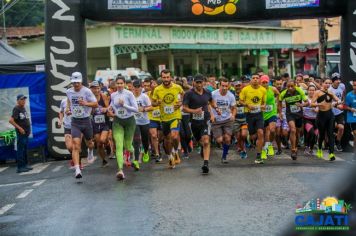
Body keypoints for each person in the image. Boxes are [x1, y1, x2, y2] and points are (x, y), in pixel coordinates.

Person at [65, 72, 98, 178]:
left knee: (90, 143)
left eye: (78, 82)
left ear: (81, 81)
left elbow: (96, 104)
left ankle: (90, 151)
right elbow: (69, 100)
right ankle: (77, 169)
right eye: (74, 83)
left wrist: (85, 103)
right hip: (75, 121)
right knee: (76, 145)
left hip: (86, 120)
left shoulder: (87, 91)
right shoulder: (69, 91)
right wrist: (68, 108)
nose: (76, 85)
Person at [152, 69, 184, 169]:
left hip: (175, 116)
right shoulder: (157, 89)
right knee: (166, 139)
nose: (166, 79)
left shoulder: (177, 87)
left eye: (167, 77)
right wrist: (157, 103)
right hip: (164, 118)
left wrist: (180, 102)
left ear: (171, 77)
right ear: (161, 78)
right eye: (164, 77)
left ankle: (175, 151)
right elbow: (153, 103)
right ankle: (170, 156)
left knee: (174, 136)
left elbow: (183, 95)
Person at [108, 75, 138, 180]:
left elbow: (136, 109)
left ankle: (133, 154)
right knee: (119, 145)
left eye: (121, 83)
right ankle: (120, 170)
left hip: (129, 121)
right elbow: (112, 104)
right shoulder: (113, 95)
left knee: (128, 146)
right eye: (118, 83)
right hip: (118, 122)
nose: (119, 85)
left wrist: (124, 105)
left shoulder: (129, 94)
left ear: (124, 84)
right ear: (115, 84)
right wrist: (109, 108)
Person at [183, 74, 215, 174]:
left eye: (201, 82)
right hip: (194, 122)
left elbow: (211, 103)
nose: (199, 84)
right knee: (200, 141)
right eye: (197, 82)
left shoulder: (208, 92)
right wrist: (194, 111)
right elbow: (184, 108)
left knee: (206, 140)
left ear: (204, 82)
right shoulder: (189, 94)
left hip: (205, 120)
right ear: (194, 83)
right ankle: (201, 147)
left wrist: (216, 110)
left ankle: (206, 163)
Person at [311, 78, 342, 161]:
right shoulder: (317, 92)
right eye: (326, 83)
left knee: (330, 134)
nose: (328, 85)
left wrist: (338, 102)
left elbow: (337, 100)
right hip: (321, 116)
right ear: (322, 83)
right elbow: (312, 104)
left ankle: (331, 153)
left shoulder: (330, 92)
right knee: (321, 135)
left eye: (329, 83)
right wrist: (318, 104)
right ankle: (320, 148)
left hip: (330, 115)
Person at [239, 74, 266, 164]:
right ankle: (249, 139)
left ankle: (259, 156)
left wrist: (262, 106)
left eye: (257, 78)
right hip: (249, 114)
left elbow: (263, 103)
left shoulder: (263, 90)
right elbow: (240, 101)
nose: (255, 79)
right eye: (253, 78)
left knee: (261, 133)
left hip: (259, 114)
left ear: (259, 80)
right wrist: (247, 105)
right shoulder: (245, 89)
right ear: (251, 80)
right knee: (252, 136)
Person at [279, 80, 308, 160]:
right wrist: (280, 112)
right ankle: (293, 149)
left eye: (292, 86)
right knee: (293, 130)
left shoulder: (300, 91)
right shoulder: (283, 93)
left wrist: (301, 104)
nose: (290, 88)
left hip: (299, 114)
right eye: (288, 86)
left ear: (295, 85)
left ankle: (296, 146)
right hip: (290, 114)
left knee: (298, 132)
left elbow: (307, 102)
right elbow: (279, 102)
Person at [211, 77, 236, 164]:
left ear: (228, 86)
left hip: (227, 119)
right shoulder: (213, 94)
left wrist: (233, 115)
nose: (224, 88)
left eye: (226, 86)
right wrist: (211, 115)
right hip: (216, 120)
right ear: (219, 85)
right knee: (220, 140)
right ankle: (217, 140)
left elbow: (234, 108)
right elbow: (208, 105)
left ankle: (224, 156)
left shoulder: (231, 95)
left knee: (227, 138)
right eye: (223, 86)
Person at [9, 94, 33, 173]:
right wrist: (20, 128)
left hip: (25, 133)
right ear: (18, 100)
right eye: (22, 99)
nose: (24, 101)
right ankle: (20, 167)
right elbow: (11, 120)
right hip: (21, 133)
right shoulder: (16, 108)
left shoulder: (23, 108)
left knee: (24, 149)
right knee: (20, 150)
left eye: (24, 99)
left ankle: (25, 165)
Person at [132, 79, 152, 170]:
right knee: (136, 140)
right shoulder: (130, 96)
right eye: (135, 87)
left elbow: (151, 107)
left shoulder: (144, 96)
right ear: (132, 87)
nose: (136, 88)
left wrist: (143, 109)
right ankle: (136, 160)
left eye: (138, 87)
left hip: (144, 121)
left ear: (141, 87)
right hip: (134, 121)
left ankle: (146, 151)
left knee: (145, 139)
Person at [90, 81, 110, 167]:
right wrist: (91, 110)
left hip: (104, 122)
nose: (96, 90)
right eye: (94, 88)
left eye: (98, 88)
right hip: (94, 124)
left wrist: (106, 109)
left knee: (102, 140)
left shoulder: (103, 96)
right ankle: (104, 160)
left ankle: (108, 144)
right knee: (99, 143)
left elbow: (109, 106)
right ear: (91, 89)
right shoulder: (88, 98)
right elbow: (87, 111)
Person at [260, 75, 279, 159]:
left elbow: (279, 95)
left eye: (266, 82)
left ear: (268, 82)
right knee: (264, 133)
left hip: (272, 112)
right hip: (262, 114)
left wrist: (277, 103)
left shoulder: (273, 89)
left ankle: (270, 144)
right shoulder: (259, 90)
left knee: (272, 130)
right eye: (263, 82)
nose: (264, 84)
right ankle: (264, 149)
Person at [145, 77, 163, 162]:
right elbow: (145, 106)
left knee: (161, 137)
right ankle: (157, 154)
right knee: (153, 135)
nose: (153, 85)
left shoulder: (162, 93)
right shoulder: (147, 95)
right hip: (151, 118)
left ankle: (158, 148)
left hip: (162, 117)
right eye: (152, 84)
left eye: (155, 84)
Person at [328, 74, 345, 152]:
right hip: (330, 112)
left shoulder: (342, 86)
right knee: (331, 129)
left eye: (339, 79)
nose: (339, 81)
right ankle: (330, 144)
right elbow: (328, 103)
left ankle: (338, 142)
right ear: (333, 81)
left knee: (341, 127)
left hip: (339, 112)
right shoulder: (329, 89)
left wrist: (342, 102)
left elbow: (343, 94)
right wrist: (336, 106)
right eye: (336, 80)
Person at [232, 80, 248, 159]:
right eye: (236, 86)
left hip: (244, 118)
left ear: (242, 86)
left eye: (239, 85)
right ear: (234, 87)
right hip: (235, 119)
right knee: (238, 136)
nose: (238, 87)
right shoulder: (231, 95)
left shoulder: (245, 94)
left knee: (244, 135)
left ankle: (243, 146)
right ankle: (243, 150)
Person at [303, 85, 319, 156]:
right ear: (307, 91)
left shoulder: (318, 99)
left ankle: (311, 149)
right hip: (307, 119)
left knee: (314, 135)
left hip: (316, 120)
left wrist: (316, 110)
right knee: (311, 132)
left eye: (313, 90)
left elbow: (321, 109)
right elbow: (301, 107)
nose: (311, 92)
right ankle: (306, 147)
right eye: (310, 90)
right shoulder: (305, 99)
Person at [344, 79, 356, 158]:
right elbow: (345, 106)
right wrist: (351, 109)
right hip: (352, 118)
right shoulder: (349, 95)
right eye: (354, 85)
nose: (355, 87)